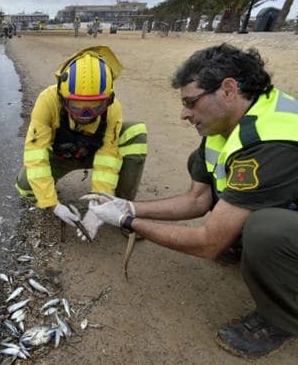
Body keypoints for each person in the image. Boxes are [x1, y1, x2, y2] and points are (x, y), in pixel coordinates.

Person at [83, 44, 298, 357]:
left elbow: (208, 242)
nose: (183, 114)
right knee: (205, 170)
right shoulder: (229, 123)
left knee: (267, 230)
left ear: (227, 90)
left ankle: (282, 318)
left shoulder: (271, 139)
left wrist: (129, 223)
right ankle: (242, 243)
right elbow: (198, 199)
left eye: (190, 103)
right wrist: (130, 207)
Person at [15, 46, 148, 239]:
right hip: (62, 155)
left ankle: (119, 206)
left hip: (94, 154)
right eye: (77, 106)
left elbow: (107, 159)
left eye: (95, 106)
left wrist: (98, 205)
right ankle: (49, 192)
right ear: (62, 97)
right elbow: (36, 154)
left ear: (108, 100)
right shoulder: (47, 101)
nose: (85, 115)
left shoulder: (113, 109)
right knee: (25, 187)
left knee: (135, 132)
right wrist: (53, 204)